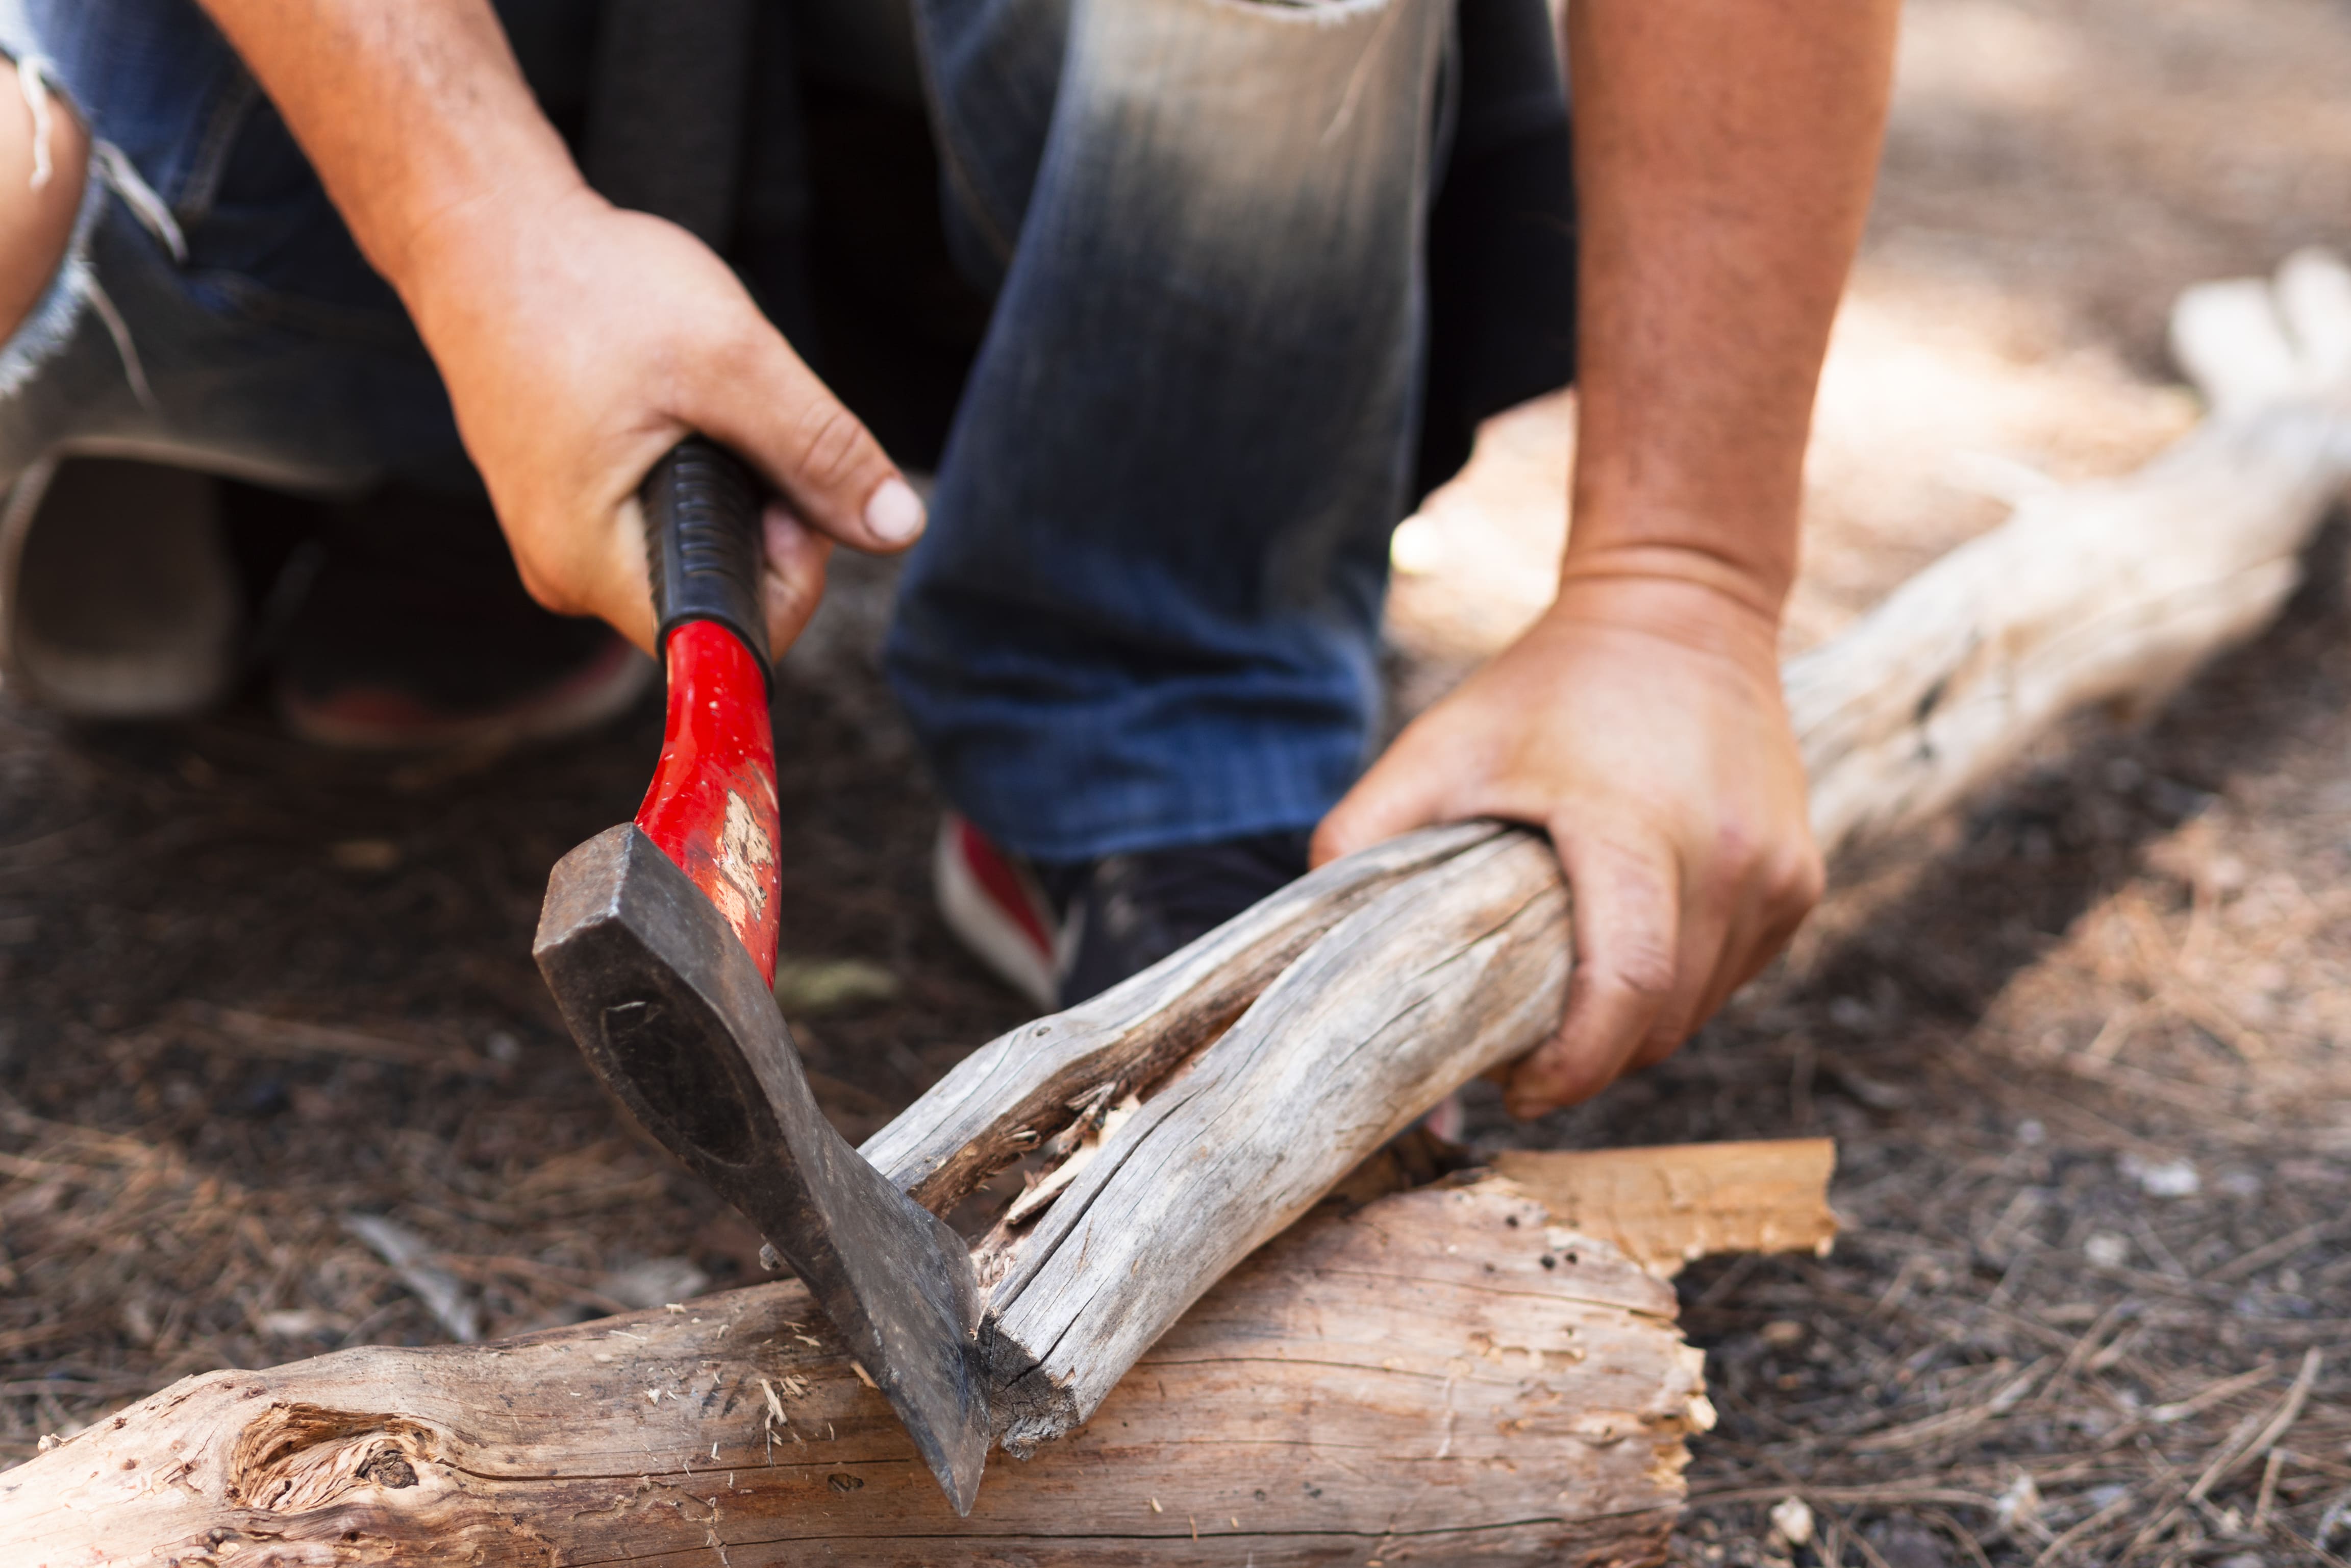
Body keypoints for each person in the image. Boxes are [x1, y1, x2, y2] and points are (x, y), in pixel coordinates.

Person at [0, 0, 1893, 1117]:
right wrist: (476, 229)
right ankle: (413, 487)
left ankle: (1148, 680)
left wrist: (1680, 577)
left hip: (1098, 152)